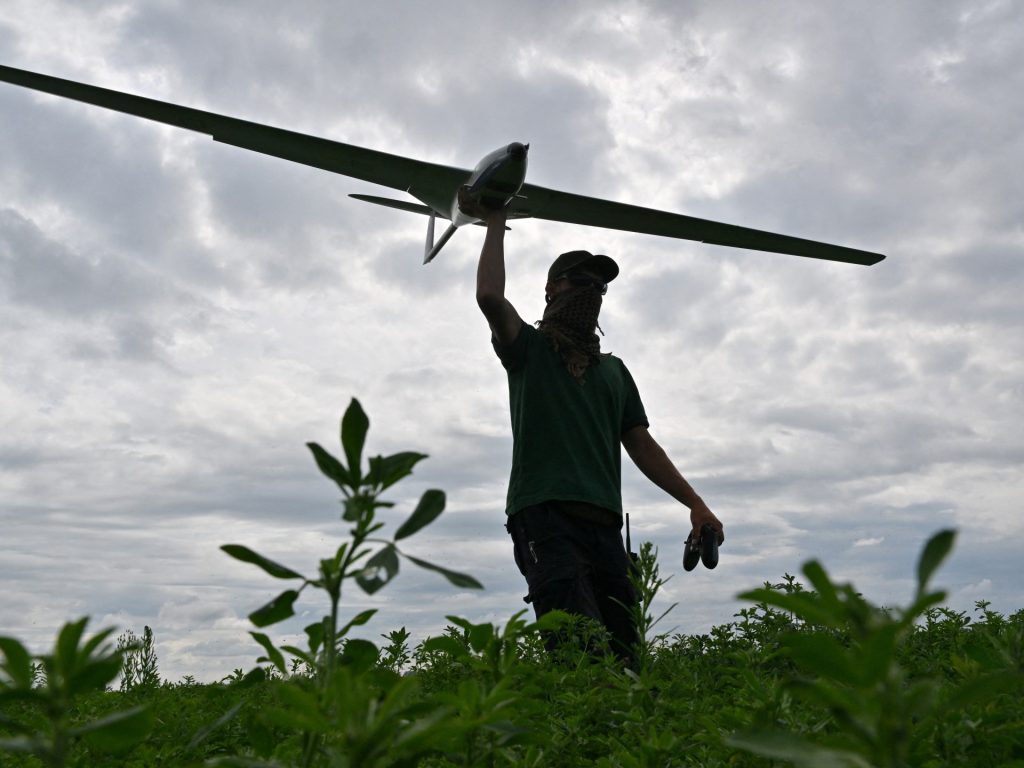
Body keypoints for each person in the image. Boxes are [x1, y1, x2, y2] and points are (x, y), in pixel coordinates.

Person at [468, 192, 723, 664]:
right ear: (551, 290)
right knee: (577, 655)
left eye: (599, 287)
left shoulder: (615, 372)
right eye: (579, 282)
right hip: (545, 519)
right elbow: (489, 297)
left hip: (605, 526)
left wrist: (696, 504)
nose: (592, 292)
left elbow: (642, 445)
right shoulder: (529, 351)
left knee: (626, 658)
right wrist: (496, 218)